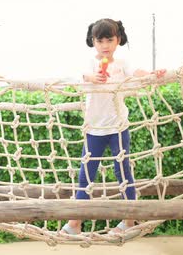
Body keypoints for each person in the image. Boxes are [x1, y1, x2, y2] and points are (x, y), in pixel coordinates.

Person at [61, 18, 166, 236]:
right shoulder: (89, 63)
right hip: (94, 130)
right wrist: (92, 76)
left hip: (118, 127)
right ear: (93, 42)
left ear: (117, 40)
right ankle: (75, 222)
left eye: (110, 39)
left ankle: (129, 220)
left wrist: (151, 74)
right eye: (100, 40)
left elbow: (138, 72)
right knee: (85, 175)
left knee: (123, 172)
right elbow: (77, 76)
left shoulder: (122, 64)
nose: (105, 45)